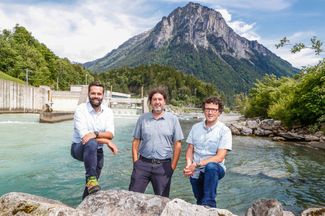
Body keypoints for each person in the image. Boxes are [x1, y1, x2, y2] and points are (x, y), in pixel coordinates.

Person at [128, 87, 184, 197]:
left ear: (164, 101)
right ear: (150, 102)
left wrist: (172, 167)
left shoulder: (173, 119)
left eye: (160, 99)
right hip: (142, 164)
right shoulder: (142, 119)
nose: (157, 102)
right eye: (154, 99)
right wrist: (136, 162)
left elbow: (177, 144)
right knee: (132, 197)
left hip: (163, 166)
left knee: (162, 200)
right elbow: (136, 141)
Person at [71, 81, 118, 199]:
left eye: (99, 93)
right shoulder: (81, 110)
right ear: (88, 94)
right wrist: (106, 141)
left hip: (97, 150)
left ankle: (84, 203)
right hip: (79, 148)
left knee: (93, 186)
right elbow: (86, 137)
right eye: (93, 93)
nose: (96, 96)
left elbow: (110, 134)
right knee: (91, 143)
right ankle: (91, 178)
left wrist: (97, 134)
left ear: (103, 95)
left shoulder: (108, 112)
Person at [183, 96, 232, 208]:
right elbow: (190, 149)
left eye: (214, 110)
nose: (210, 112)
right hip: (196, 170)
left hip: (215, 168)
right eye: (207, 109)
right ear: (203, 110)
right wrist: (188, 165)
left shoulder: (224, 131)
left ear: (219, 112)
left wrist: (196, 164)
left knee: (210, 167)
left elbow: (220, 157)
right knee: (200, 200)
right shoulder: (195, 128)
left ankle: (210, 206)